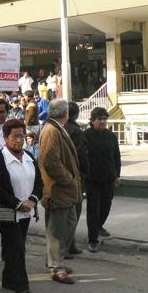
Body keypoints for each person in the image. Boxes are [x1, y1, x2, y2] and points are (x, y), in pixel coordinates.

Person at [0, 119, 42, 293]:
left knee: (14, 248)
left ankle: (8, 279)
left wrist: (33, 200)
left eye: (21, 136)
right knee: (17, 249)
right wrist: (18, 203)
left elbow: (39, 183)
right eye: (14, 136)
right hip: (6, 214)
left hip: (27, 213)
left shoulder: (29, 156)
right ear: (5, 138)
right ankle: (22, 287)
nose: (19, 140)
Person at [38, 99, 82, 285]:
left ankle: (57, 261)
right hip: (57, 189)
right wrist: (68, 179)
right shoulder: (51, 130)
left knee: (68, 225)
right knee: (57, 230)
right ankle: (56, 267)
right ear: (65, 114)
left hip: (66, 190)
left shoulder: (56, 128)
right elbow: (50, 161)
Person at [85, 107, 121, 253]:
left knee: (106, 206)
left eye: (104, 119)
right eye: (99, 119)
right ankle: (93, 239)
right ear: (93, 121)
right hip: (92, 179)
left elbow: (116, 157)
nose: (102, 122)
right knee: (93, 209)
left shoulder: (111, 136)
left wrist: (117, 175)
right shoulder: (86, 135)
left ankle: (99, 226)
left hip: (108, 178)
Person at [64, 102, 88, 257]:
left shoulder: (59, 129)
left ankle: (69, 244)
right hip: (74, 176)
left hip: (64, 176)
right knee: (73, 213)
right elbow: (81, 155)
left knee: (67, 213)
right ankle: (67, 246)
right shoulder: (76, 131)